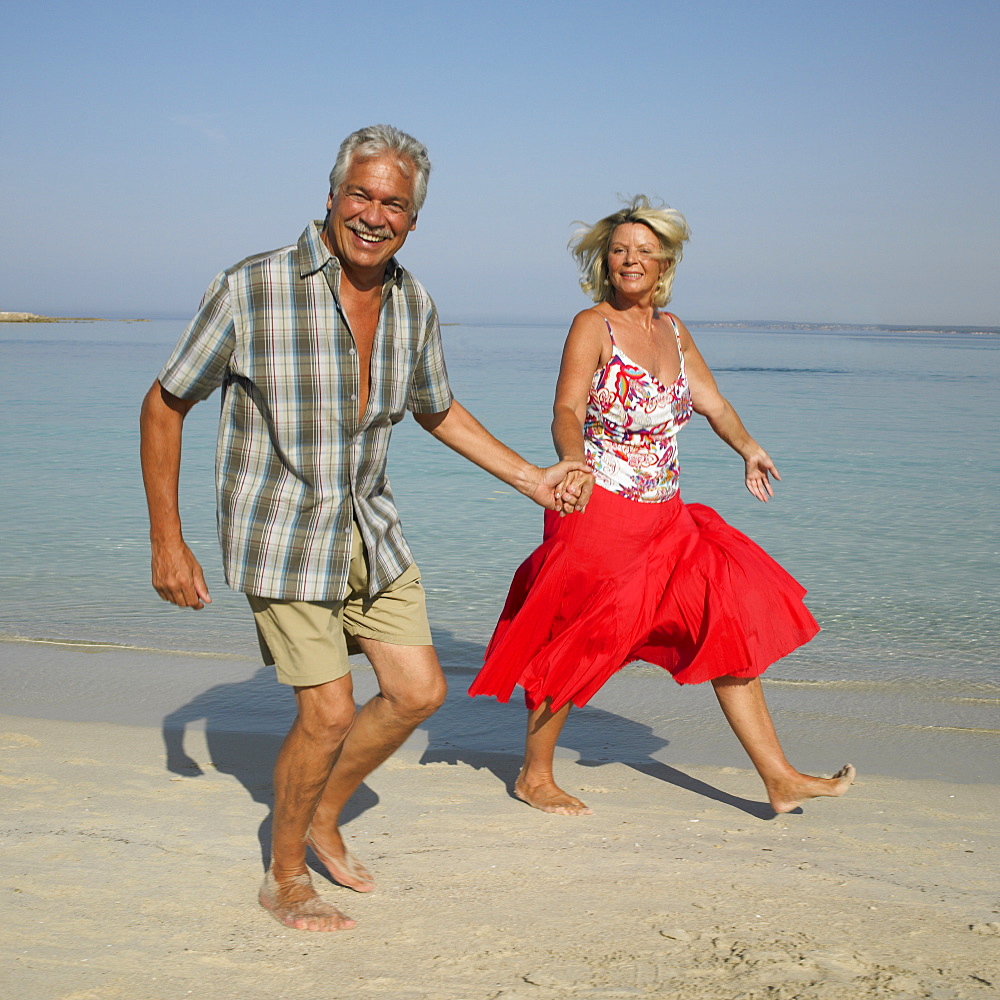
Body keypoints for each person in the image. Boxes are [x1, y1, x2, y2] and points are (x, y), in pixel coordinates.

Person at [139, 124, 587, 932]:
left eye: (395, 203)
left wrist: (531, 477)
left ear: (413, 220)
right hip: (280, 532)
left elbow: (436, 408)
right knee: (330, 711)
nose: (375, 214)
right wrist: (167, 540)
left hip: (366, 526)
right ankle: (283, 877)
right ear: (331, 195)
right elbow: (166, 401)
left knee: (419, 691)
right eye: (362, 194)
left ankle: (319, 813)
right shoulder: (252, 287)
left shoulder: (414, 301)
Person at [469, 196, 854, 817]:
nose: (630, 259)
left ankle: (778, 776)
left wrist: (749, 449)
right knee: (579, 639)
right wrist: (571, 462)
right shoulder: (592, 325)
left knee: (724, 620)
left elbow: (714, 402)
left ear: (664, 262)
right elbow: (566, 409)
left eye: (643, 250)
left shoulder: (674, 330)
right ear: (605, 260)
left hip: (667, 518)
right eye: (619, 249)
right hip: (599, 510)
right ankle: (534, 775)